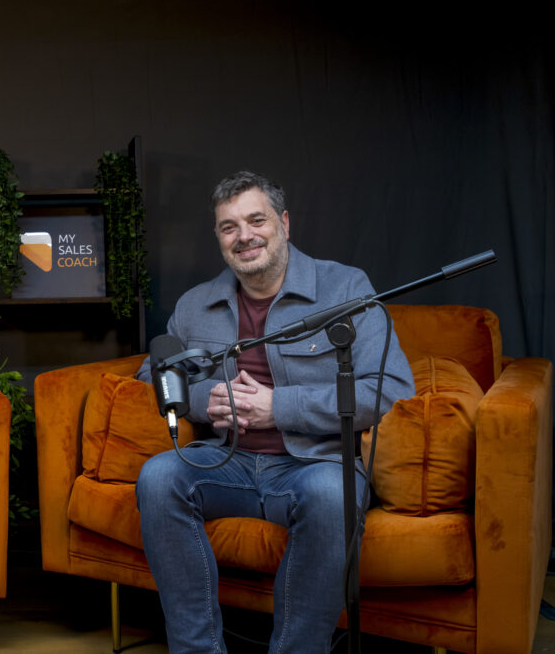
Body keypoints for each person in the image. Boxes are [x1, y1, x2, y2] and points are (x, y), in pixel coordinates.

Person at [135, 170, 415, 653]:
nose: (244, 236)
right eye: (229, 227)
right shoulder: (196, 305)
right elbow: (153, 374)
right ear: (218, 237)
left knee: (332, 496)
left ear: (283, 223)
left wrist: (277, 407)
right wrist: (207, 399)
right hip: (226, 461)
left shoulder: (345, 288)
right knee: (158, 477)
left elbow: (388, 389)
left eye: (256, 220)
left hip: (316, 464)